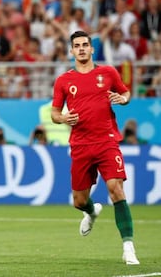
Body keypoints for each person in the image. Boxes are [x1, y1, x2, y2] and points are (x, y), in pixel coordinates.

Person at [51, 30, 140, 265]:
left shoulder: (108, 72)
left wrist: (124, 99)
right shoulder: (63, 80)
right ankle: (91, 211)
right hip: (80, 144)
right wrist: (62, 119)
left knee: (116, 189)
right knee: (79, 201)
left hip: (107, 141)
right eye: (76, 45)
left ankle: (128, 247)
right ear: (71, 51)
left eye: (85, 45)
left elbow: (125, 91)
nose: (81, 48)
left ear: (92, 49)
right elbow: (54, 113)